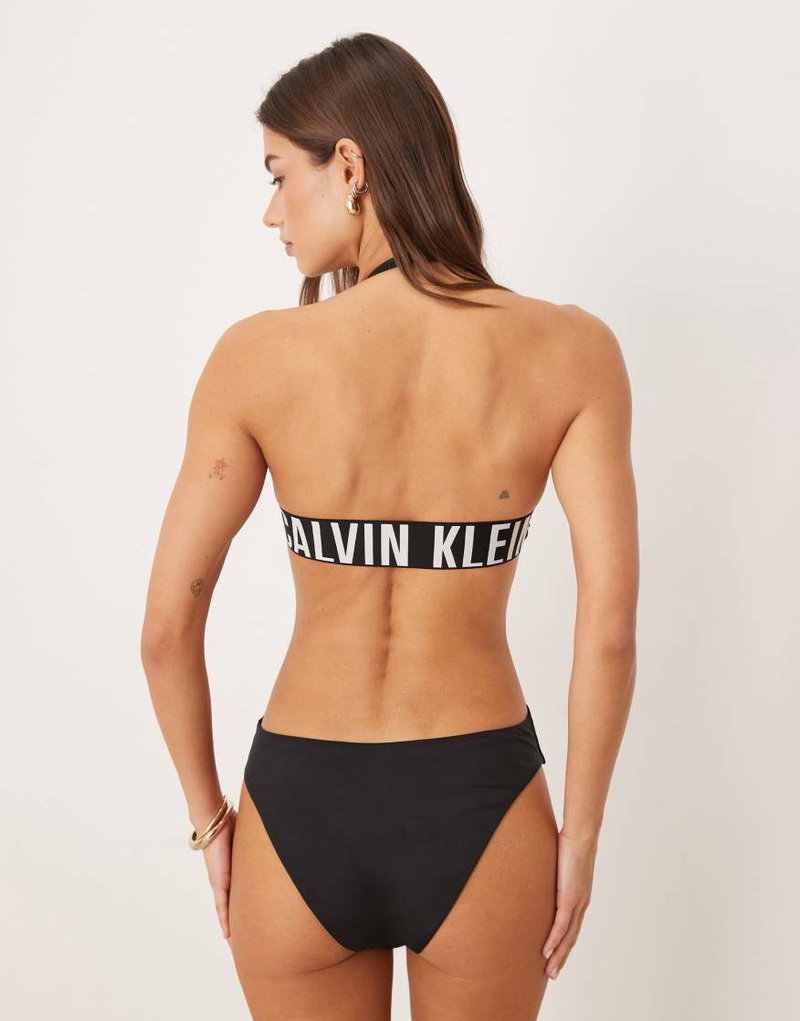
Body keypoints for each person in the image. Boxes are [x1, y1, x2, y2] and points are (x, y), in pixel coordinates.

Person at [140, 31, 639, 1020]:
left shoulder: (255, 359)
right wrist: (578, 836)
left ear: (350, 166)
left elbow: (164, 629)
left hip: (300, 803)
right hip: (482, 799)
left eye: (279, 174)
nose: (271, 210)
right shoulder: (570, 351)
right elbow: (610, 630)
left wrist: (212, 823)